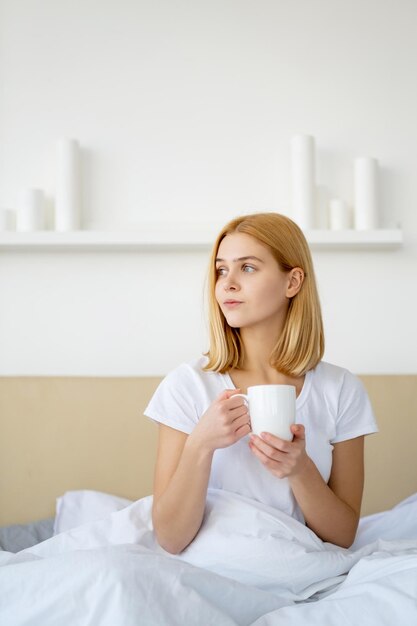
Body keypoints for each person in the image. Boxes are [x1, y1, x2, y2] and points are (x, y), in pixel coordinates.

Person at [144, 212, 378, 554]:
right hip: (210, 572)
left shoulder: (340, 389)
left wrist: (301, 471)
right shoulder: (188, 385)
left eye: (247, 267)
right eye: (221, 270)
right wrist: (200, 445)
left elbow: (342, 536)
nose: (228, 283)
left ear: (292, 282)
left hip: (303, 569)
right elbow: (169, 538)